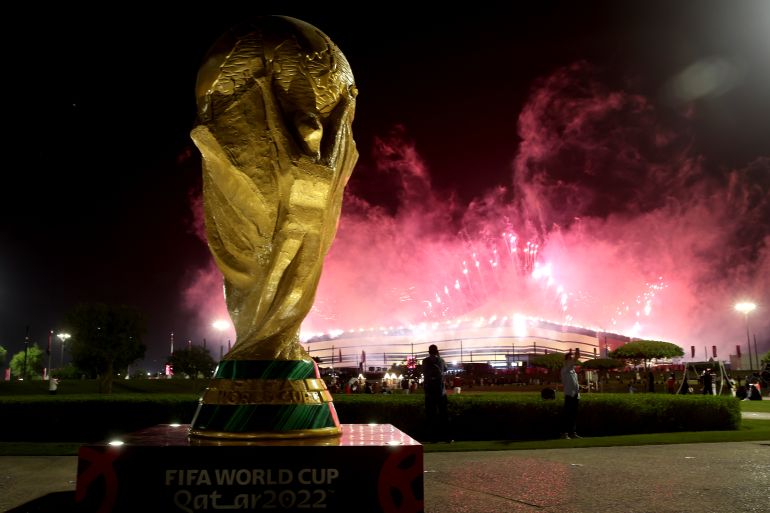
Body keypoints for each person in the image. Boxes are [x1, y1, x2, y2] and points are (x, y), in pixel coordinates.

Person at [422, 344, 450, 442]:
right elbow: (445, 369)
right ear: (437, 351)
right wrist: (439, 356)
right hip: (441, 391)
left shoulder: (425, 361)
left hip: (429, 392)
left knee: (431, 415)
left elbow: (424, 372)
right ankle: (446, 437)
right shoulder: (441, 360)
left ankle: (432, 438)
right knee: (444, 415)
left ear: (429, 352)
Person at [560, 351, 581, 439]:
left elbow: (574, 383)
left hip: (576, 395)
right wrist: (576, 357)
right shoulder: (565, 370)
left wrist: (579, 388)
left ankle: (572, 432)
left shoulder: (574, 372)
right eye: (570, 358)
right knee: (567, 415)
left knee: (573, 415)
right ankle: (564, 433)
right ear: (566, 361)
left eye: (572, 358)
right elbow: (570, 364)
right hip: (569, 395)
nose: (572, 360)